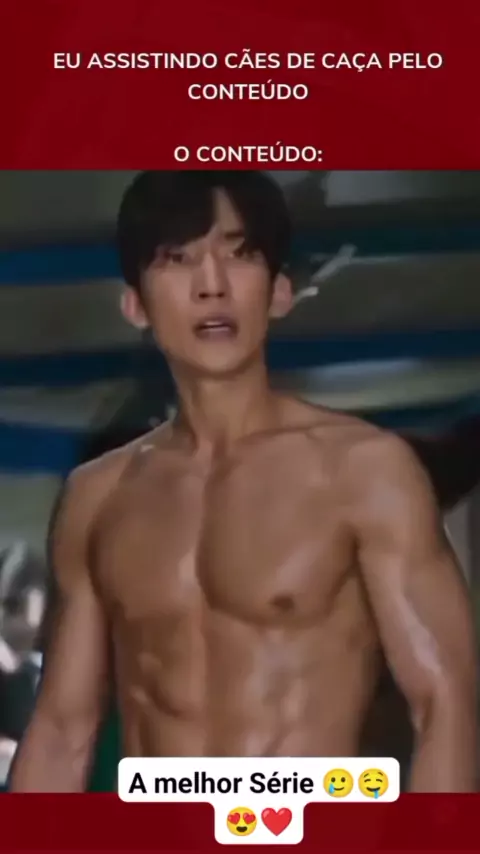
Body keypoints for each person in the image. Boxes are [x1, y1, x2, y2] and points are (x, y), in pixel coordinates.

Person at [10, 170, 478, 792]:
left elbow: (445, 704)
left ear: (279, 292)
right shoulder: (98, 495)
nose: (212, 285)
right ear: (135, 305)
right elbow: (62, 730)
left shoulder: (364, 471)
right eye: (178, 259)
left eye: (240, 254)